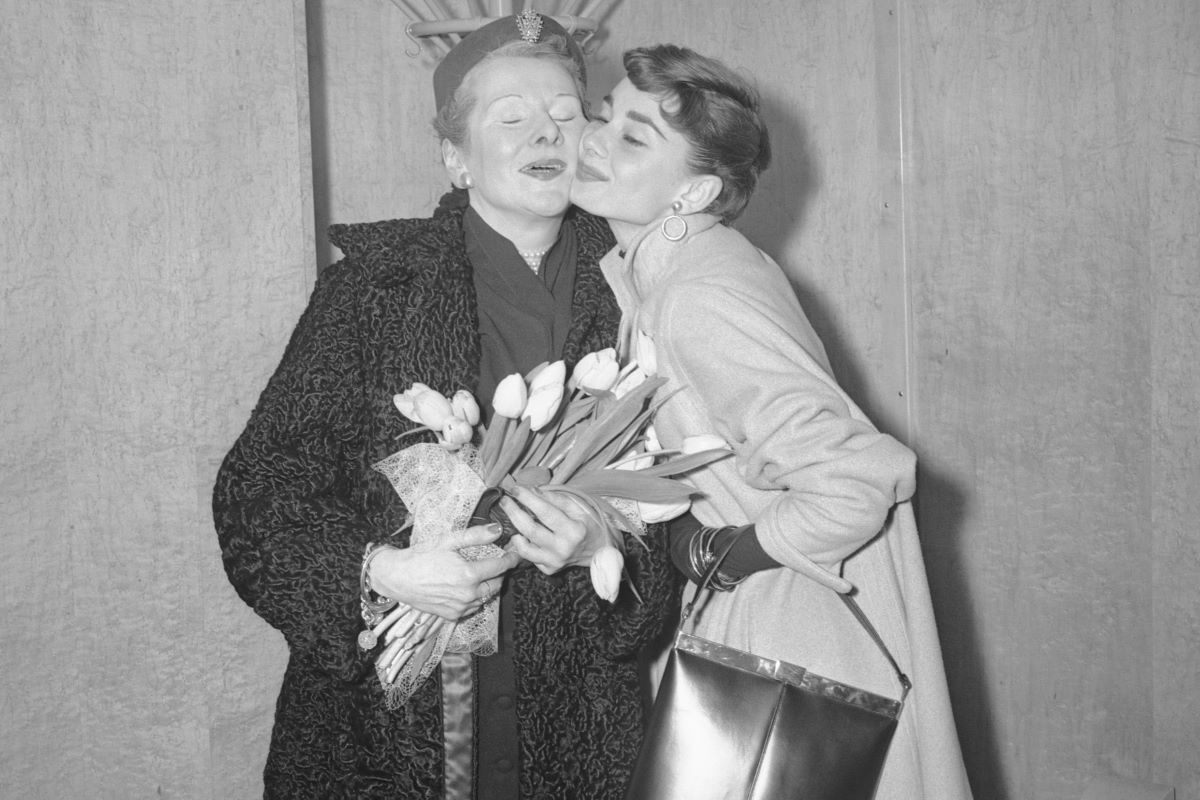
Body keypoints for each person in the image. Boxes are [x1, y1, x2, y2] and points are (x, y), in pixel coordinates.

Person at [212, 15, 676, 800]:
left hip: (574, 729)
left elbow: (683, 517)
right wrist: (380, 573)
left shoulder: (643, 288)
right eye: (513, 116)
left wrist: (605, 548)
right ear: (456, 157)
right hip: (382, 735)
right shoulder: (373, 289)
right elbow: (259, 491)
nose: (547, 132)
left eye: (567, 113)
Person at [569, 44, 974, 798]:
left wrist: (719, 551)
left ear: (694, 193)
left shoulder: (700, 294)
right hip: (757, 626)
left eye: (633, 136)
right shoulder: (671, 276)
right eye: (604, 116)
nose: (594, 140)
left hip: (787, 640)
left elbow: (857, 480)